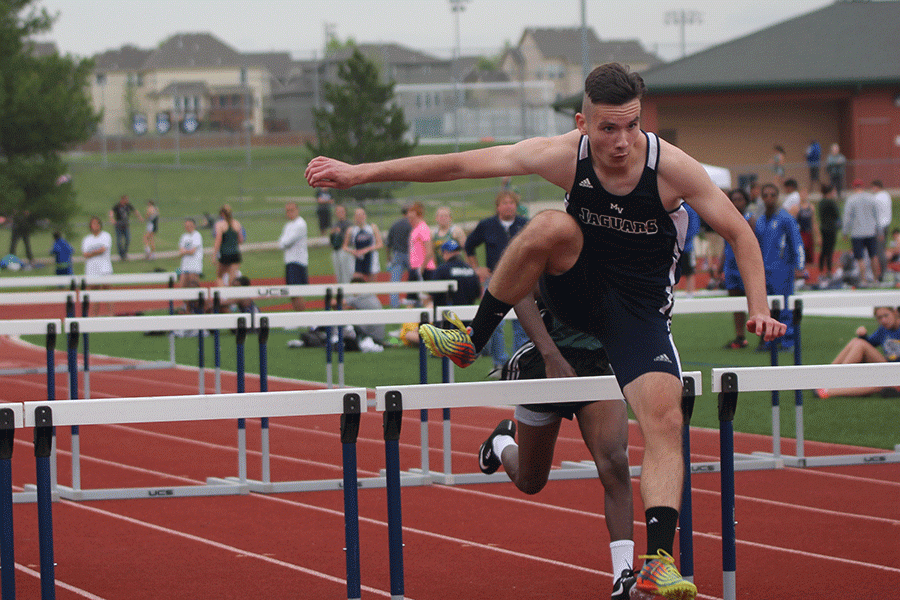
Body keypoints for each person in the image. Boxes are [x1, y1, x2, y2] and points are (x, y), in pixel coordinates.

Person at [307, 62, 787, 600]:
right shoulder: (565, 155)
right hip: (574, 294)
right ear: (583, 124)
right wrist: (358, 174)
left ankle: (657, 560)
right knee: (550, 225)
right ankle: (473, 337)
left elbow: (740, 233)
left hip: (637, 312)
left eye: (631, 126)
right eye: (608, 129)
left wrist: (758, 306)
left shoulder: (672, 168)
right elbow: (462, 164)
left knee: (665, 418)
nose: (622, 142)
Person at [482, 289, 635, 599]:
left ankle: (623, 575)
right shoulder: (559, 243)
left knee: (615, 462)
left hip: (599, 363)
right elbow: (520, 291)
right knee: (530, 481)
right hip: (546, 361)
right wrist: (551, 355)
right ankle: (501, 442)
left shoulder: (620, 246)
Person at [464, 190, 529, 374]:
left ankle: (520, 362)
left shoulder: (525, 225)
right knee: (495, 324)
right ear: (498, 206)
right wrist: (477, 268)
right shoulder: (487, 225)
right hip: (496, 280)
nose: (509, 206)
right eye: (505, 203)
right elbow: (469, 246)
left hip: (522, 278)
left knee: (523, 322)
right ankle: (499, 363)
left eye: (512, 203)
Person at [755, 183, 805, 351]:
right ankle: (770, 340)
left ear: (777, 197)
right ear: (762, 198)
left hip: (782, 269)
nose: (769, 198)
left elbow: (797, 241)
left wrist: (800, 265)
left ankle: (787, 340)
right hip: (764, 270)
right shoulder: (760, 221)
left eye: (772, 195)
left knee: (784, 306)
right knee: (768, 307)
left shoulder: (786, 218)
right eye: (766, 195)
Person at [815, 307, 900, 398]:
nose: (883, 320)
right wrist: (863, 335)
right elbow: (869, 344)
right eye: (879, 318)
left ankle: (830, 387)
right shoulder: (883, 329)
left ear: (895, 313)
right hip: (889, 367)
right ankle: (828, 375)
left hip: (896, 371)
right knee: (857, 341)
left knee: (879, 383)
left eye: (886, 315)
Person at [718, 188, 752, 348]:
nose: (737, 202)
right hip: (731, 268)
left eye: (740, 199)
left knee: (751, 301)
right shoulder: (727, 219)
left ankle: (763, 335)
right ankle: (740, 336)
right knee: (735, 303)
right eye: (734, 199)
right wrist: (720, 266)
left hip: (744, 267)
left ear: (746, 201)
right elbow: (725, 244)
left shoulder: (751, 219)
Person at [843, 178, 881, 286]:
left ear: (854, 187)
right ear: (863, 186)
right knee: (873, 255)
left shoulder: (851, 200)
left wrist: (845, 231)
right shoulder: (871, 198)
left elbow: (848, 217)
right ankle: (875, 279)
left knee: (859, 257)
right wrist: (879, 230)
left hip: (857, 233)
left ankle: (863, 280)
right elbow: (876, 215)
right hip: (870, 231)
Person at [429, 240, 481, 308]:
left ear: (445, 253)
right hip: (468, 313)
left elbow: (432, 293)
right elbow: (478, 293)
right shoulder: (470, 270)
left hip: (448, 315)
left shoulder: (441, 270)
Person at [277, 201, 308, 311]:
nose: (289, 213)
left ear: (297, 210)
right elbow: (281, 242)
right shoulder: (288, 225)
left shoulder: (300, 224)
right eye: (287, 211)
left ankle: (303, 317)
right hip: (289, 260)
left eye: (292, 210)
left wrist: (283, 243)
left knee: (297, 291)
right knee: (292, 292)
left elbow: (286, 242)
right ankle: (297, 316)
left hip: (298, 261)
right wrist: (282, 243)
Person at [81, 216, 114, 316]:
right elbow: (85, 254)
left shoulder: (106, 236)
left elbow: (103, 249)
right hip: (92, 270)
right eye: (93, 223)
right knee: (94, 294)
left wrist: (92, 253)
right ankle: (94, 316)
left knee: (107, 291)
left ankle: (111, 314)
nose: (95, 226)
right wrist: (96, 252)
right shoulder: (87, 239)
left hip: (104, 269)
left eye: (97, 223)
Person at [407, 201, 436, 306]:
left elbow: (429, 252)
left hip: (424, 268)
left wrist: (421, 268)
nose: (410, 221)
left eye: (412, 218)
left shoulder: (423, 228)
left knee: (425, 298)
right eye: (409, 218)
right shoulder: (415, 229)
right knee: (411, 299)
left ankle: (428, 321)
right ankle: (410, 322)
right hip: (416, 267)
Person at [343, 206, 382, 282]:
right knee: (356, 282)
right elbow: (344, 246)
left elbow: (380, 244)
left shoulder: (372, 227)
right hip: (357, 259)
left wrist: (367, 249)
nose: (360, 217)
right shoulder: (351, 230)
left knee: (372, 285)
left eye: (361, 214)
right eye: (357, 215)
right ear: (354, 217)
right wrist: (353, 251)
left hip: (371, 258)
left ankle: (371, 294)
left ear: (365, 216)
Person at [385, 205, 412, 307]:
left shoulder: (395, 225)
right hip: (410, 254)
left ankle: (394, 305)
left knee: (395, 281)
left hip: (397, 254)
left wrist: (388, 257)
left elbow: (388, 243)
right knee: (413, 279)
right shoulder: (411, 225)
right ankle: (414, 301)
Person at [213, 204, 244, 287]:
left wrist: (214, 256)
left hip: (225, 253)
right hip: (235, 254)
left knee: (219, 277)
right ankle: (231, 297)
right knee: (232, 278)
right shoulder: (237, 223)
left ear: (222, 214)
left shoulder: (220, 224)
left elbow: (218, 241)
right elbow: (241, 240)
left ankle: (224, 296)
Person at [177, 218, 204, 312]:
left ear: (194, 225)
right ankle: (186, 306)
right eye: (186, 225)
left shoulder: (197, 235)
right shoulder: (184, 236)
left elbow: (193, 251)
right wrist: (186, 251)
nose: (187, 227)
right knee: (183, 286)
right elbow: (181, 251)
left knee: (193, 286)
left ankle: (196, 307)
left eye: (189, 225)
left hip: (195, 266)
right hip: (185, 266)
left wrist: (185, 251)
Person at [817, 183, 841, 282]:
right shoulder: (831, 202)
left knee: (824, 250)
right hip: (831, 229)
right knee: (830, 251)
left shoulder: (821, 202)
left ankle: (821, 268)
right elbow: (837, 214)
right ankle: (829, 270)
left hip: (823, 228)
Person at [108, 195, 141, 261]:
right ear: (122, 200)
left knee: (128, 239)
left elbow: (135, 211)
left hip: (126, 225)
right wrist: (112, 219)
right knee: (119, 241)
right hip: (118, 225)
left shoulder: (128, 205)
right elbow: (111, 212)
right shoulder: (117, 206)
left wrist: (139, 217)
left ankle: (124, 253)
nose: (127, 201)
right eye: (126, 199)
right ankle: (121, 255)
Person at [872, 180, 892, 282]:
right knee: (882, 249)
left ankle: (883, 273)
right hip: (886, 225)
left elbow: (876, 215)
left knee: (879, 251)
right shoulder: (886, 195)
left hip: (879, 227)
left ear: (876, 187)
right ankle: (884, 271)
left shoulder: (876, 198)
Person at [795, 188, 818, 276]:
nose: (803, 195)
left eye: (805, 193)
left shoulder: (811, 207)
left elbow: (814, 222)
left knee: (809, 255)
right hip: (800, 234)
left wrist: (817, 236)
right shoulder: (796, 208)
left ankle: (804, 271)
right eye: (802, 193)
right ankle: (800, 271)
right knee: (801, 253)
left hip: (808, 234)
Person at [329, 204, 355, 284]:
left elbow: (350, 239)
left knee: (346, 273)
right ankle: (341, 293)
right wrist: (332, 234)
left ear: (345, 212)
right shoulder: (335, 224)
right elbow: (332, 241)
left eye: (342, 211)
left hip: (346, 251)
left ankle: (348, 294)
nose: (340, 213)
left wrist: (339, 233)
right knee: (338, 274)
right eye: (338, 211)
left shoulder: (349, 224)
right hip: (336, 250)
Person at [679, 203, 700, 294]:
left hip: (687, 247)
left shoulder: (690, 208)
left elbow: (694, 228)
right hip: (673, 247)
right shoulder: (671, 204)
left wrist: (682, 238)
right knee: (672, 271)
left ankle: (690, 294)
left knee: (690, 272)